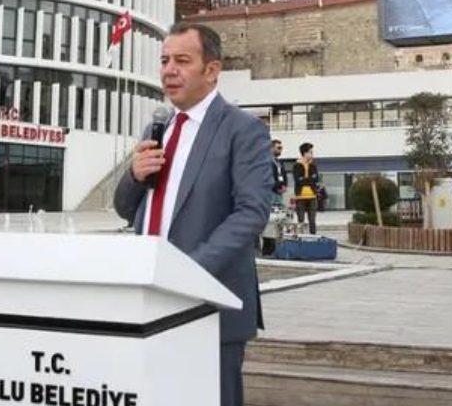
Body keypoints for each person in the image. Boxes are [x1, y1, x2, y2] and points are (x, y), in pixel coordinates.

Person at [113, 22, 269, 406]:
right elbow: (124, 207)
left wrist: (186, 272)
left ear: (212, 70)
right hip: (150, 301)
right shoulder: (159, 126)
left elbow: (251, 213)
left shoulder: (243, 130)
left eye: (182, 60)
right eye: (165, 60)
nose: (169, 70)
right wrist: (134, 174)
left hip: (209, 304)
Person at [292, 143, 321, 235]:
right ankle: (301, 239)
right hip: (300, 196)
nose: (312, 154)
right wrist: (310, 179)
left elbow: (316, 179)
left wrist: (305, 179)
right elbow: (298, 180)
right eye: (310, 152)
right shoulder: (297, 166)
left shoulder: (313, 166)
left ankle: (313, 238)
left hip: (312, 196)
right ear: (305, 153)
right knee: (301, 221)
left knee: (312, 220)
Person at [269, 139, 287, 208]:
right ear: (271, 148)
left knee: (279, 214)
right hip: (271, 192)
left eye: (281, 148)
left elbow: (284, 175)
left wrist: (284, 186)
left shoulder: (280, 162)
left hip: (279, 192)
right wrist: (276, 188)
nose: (281, 150)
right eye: (278, 148)